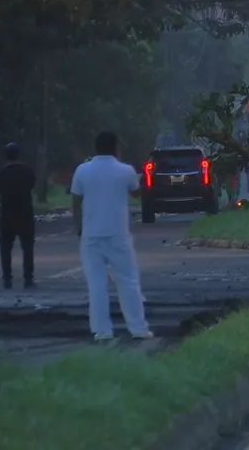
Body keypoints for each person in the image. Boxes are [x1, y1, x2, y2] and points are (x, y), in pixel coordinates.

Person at [71, 131, 152, 341]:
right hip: (118, 234)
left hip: (91, 235)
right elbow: (136, 192)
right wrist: (147, 176)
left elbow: (75, 202)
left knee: (96, 285)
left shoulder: (82, 170)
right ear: (116, 147)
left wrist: (79, 228)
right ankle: (138, 328)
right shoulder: (125, 171)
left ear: (95, 148)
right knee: (128, 282)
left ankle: (102, 331)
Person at [0, 142, 36, 289]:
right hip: (25, 212)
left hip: (7, 213)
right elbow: (32, 184)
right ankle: (28, 278)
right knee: (27, 246)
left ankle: (7, 278)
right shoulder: (27, 170)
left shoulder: (2, 172)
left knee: (6, 247)